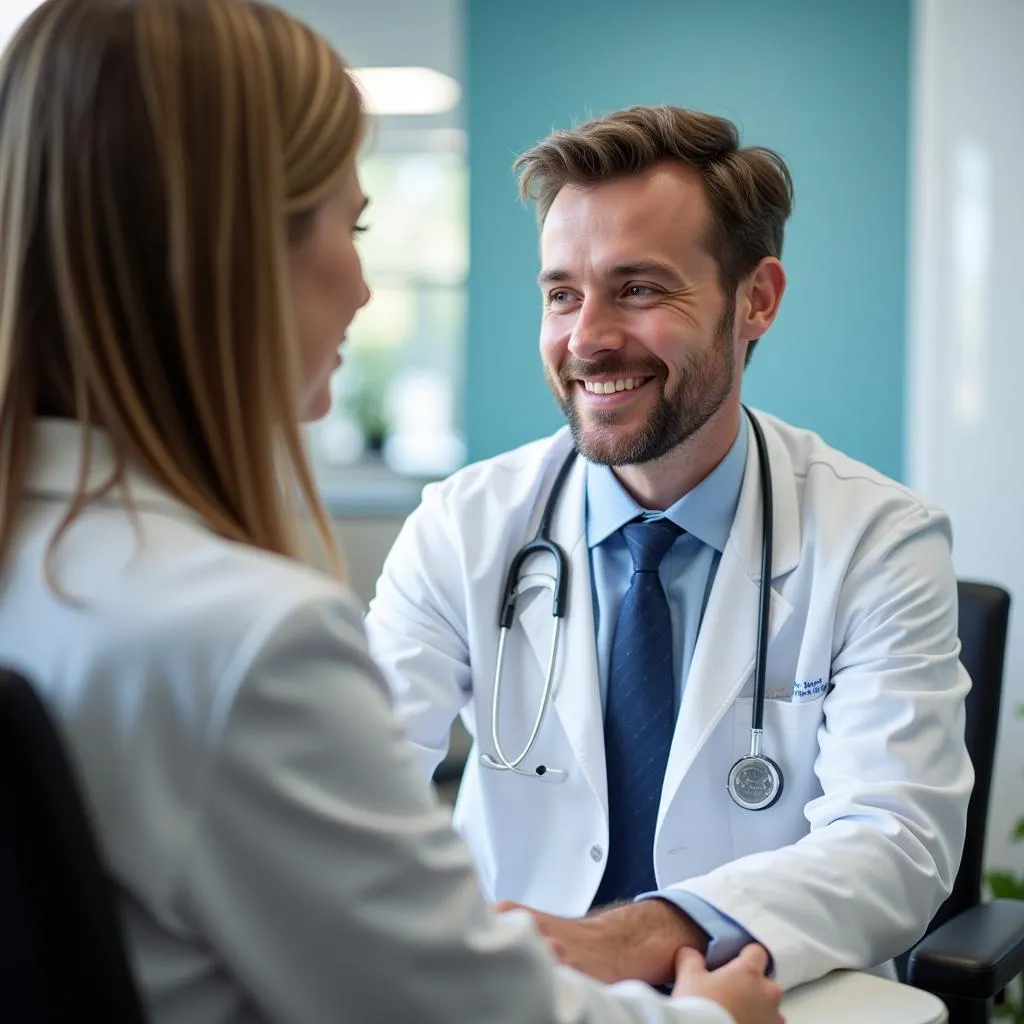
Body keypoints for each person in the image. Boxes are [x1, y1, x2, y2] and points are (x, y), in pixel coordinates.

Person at [0, 3, 785, 1023]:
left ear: (754, 300)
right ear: (234, 250)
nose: (367, 285)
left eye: (636, 288)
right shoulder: (247, 639)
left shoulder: (46, 571)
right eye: (349, 223)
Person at [364, 104, 974, 994]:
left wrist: (644, 934)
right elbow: (357, 779)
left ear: (756, 299)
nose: (587, 338)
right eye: (562, 293)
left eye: (639, 289)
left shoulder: (878, 540)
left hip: (762, 992)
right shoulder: (464, 524)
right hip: (520, 997)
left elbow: (896, 840)